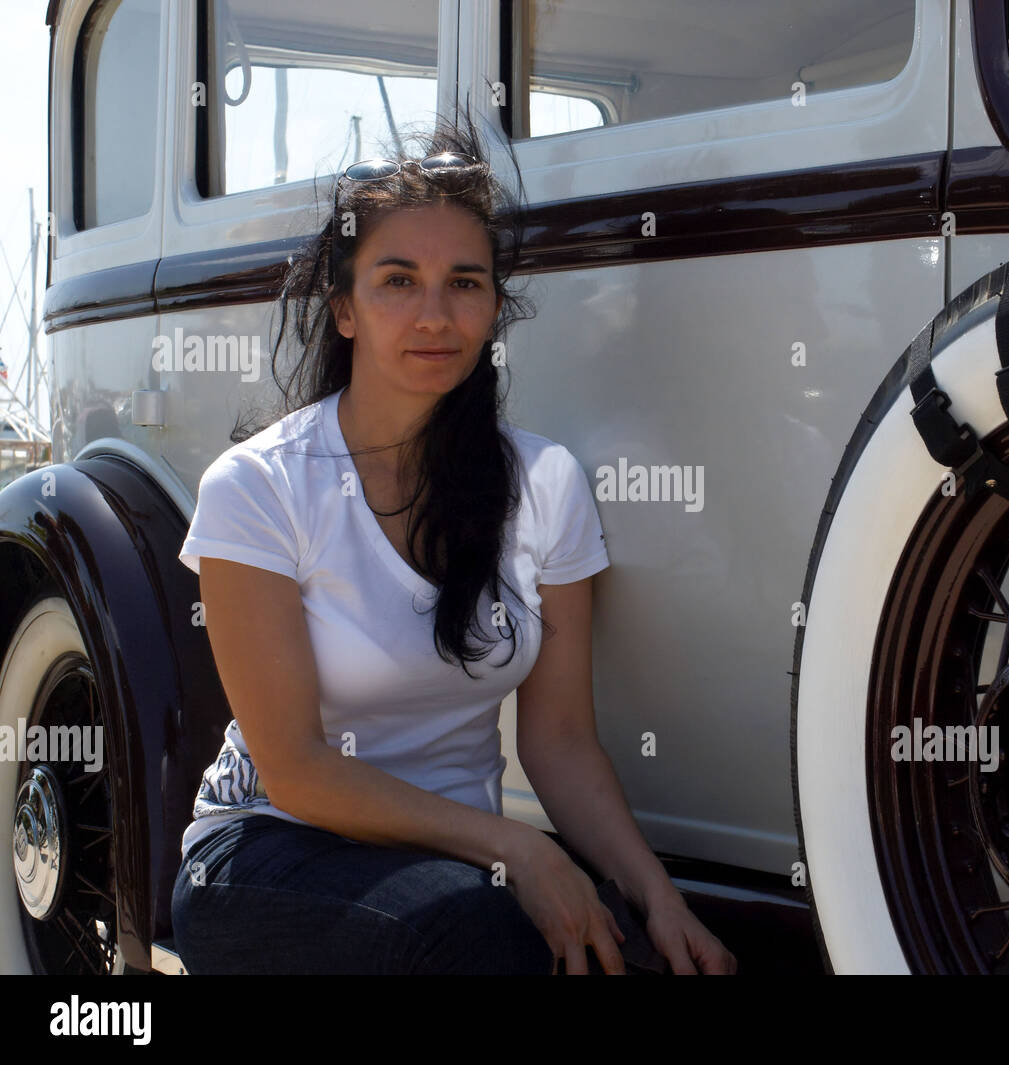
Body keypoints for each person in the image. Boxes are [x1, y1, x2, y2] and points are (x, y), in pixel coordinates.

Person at [169, 112, 737, 975]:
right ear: (345, 308)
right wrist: (521, 850)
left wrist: (656, 897)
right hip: (268, 852)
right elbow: (298, 771)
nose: (436, 314)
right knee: (470, 931)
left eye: (465, 284)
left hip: (463, 863)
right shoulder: (258, 487)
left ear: (494, 310)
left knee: (638, 960)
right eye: (398, 280)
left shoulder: (545, 484)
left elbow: (561, 744)